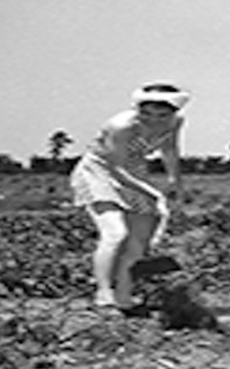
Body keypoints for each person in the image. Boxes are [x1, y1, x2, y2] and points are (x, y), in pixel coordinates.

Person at [69, 81, 188, 312]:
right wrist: (153, 193)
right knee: (115, 233)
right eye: (146, 113)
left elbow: (170, 149)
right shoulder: (121, 126)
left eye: (161, 115)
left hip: (134, 170)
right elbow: (115, 168)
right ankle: (103, 293)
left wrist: (175, 181)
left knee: (139, 239)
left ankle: (124, 296)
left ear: (174, 112)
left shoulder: (175, 122)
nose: (153, 120)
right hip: (100, 172)